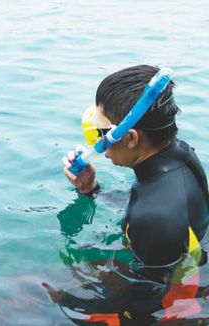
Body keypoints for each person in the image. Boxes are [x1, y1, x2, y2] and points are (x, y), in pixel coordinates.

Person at [62, 64, 209, 279]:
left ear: (131, 138)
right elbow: (147, 200)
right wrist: (92, 189)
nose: (97, 144)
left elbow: (147, 296)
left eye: (100, 133)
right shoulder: (181, 154)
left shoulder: (153, 218)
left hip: (179, 291)